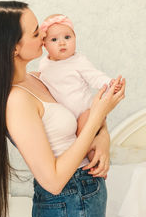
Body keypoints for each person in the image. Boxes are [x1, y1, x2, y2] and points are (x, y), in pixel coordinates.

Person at [0, 1, 125, 217]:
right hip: (69, 202)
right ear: (13, 48)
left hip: (84, 195)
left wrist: (103, 135)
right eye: (36, 32)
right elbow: (53, 181)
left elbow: (81, 109)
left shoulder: (39, 78)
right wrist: (100, 114)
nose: (45, 35)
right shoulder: (16, 100)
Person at [39, 14, 122, 161]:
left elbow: (95, 76)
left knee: (87, 136)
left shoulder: (78, 61)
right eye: (54, 40)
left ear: (75, 38)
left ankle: (95, 163)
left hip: (83, 110)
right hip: (64, 115)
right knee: (70, 141)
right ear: (44, 45)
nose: (62, 43)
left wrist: (110, 84)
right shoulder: (44, 65)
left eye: (67, 37)